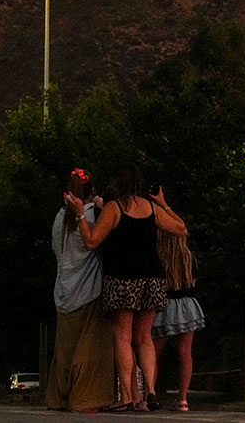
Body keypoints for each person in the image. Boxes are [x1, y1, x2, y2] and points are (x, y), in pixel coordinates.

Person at [66, 166, 187, 412]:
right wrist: (163, 205)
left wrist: (80, 215)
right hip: (152, 279)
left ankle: (127, 396)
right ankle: (150, 392)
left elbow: (91, 242)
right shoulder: (150, 208)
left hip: (122, 279)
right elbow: (181, 229)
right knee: (145, 338)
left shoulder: (114, 208)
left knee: (123, 336)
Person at [46, 168, 115, 412]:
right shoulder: (91, 216)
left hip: (64, 292)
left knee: (65, 351)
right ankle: (87, 395)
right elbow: (98, 240)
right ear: (91, 191)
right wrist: (100, 205)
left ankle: (60, 396)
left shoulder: (58, 219)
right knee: (90, 347)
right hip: (88, 292)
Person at [152, 194, 204, 413]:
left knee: (153, 352)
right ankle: (183, 398)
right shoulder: (187, 256)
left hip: (165, 305)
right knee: (185, 353)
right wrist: (166, 205)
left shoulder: (159, 255)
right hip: (187, 305)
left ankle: (148, 392)